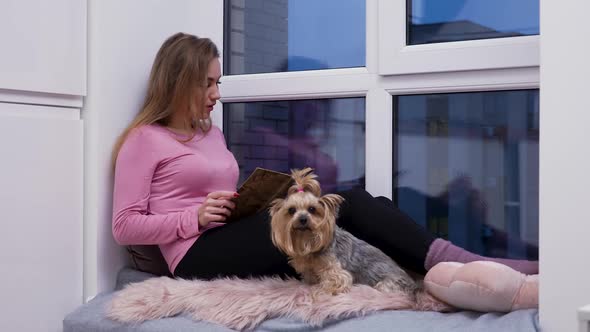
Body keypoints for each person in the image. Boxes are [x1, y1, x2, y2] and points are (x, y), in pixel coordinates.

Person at [111, 32, 538, 281]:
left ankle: (451, 268)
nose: (216, 95)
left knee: (354, 203)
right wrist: (194, 219)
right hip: (193, 256)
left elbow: (219, 194)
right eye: (207, 84)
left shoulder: (211, 134)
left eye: (218, 82)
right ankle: (466, 268)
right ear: (179, 81)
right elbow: (124, 227)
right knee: (337, 209)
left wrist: (254, 200)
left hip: (226, 234)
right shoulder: (145, 140)